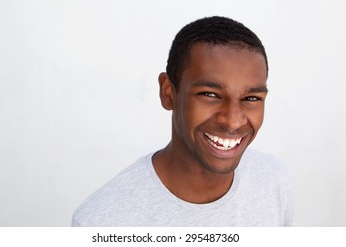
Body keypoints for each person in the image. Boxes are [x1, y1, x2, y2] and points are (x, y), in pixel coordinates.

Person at [72, 16, 294, 226]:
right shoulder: (101, 221)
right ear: (169, 92)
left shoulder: (272, 179)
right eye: (210, 94)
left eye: (251, 98)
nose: (233, 121)